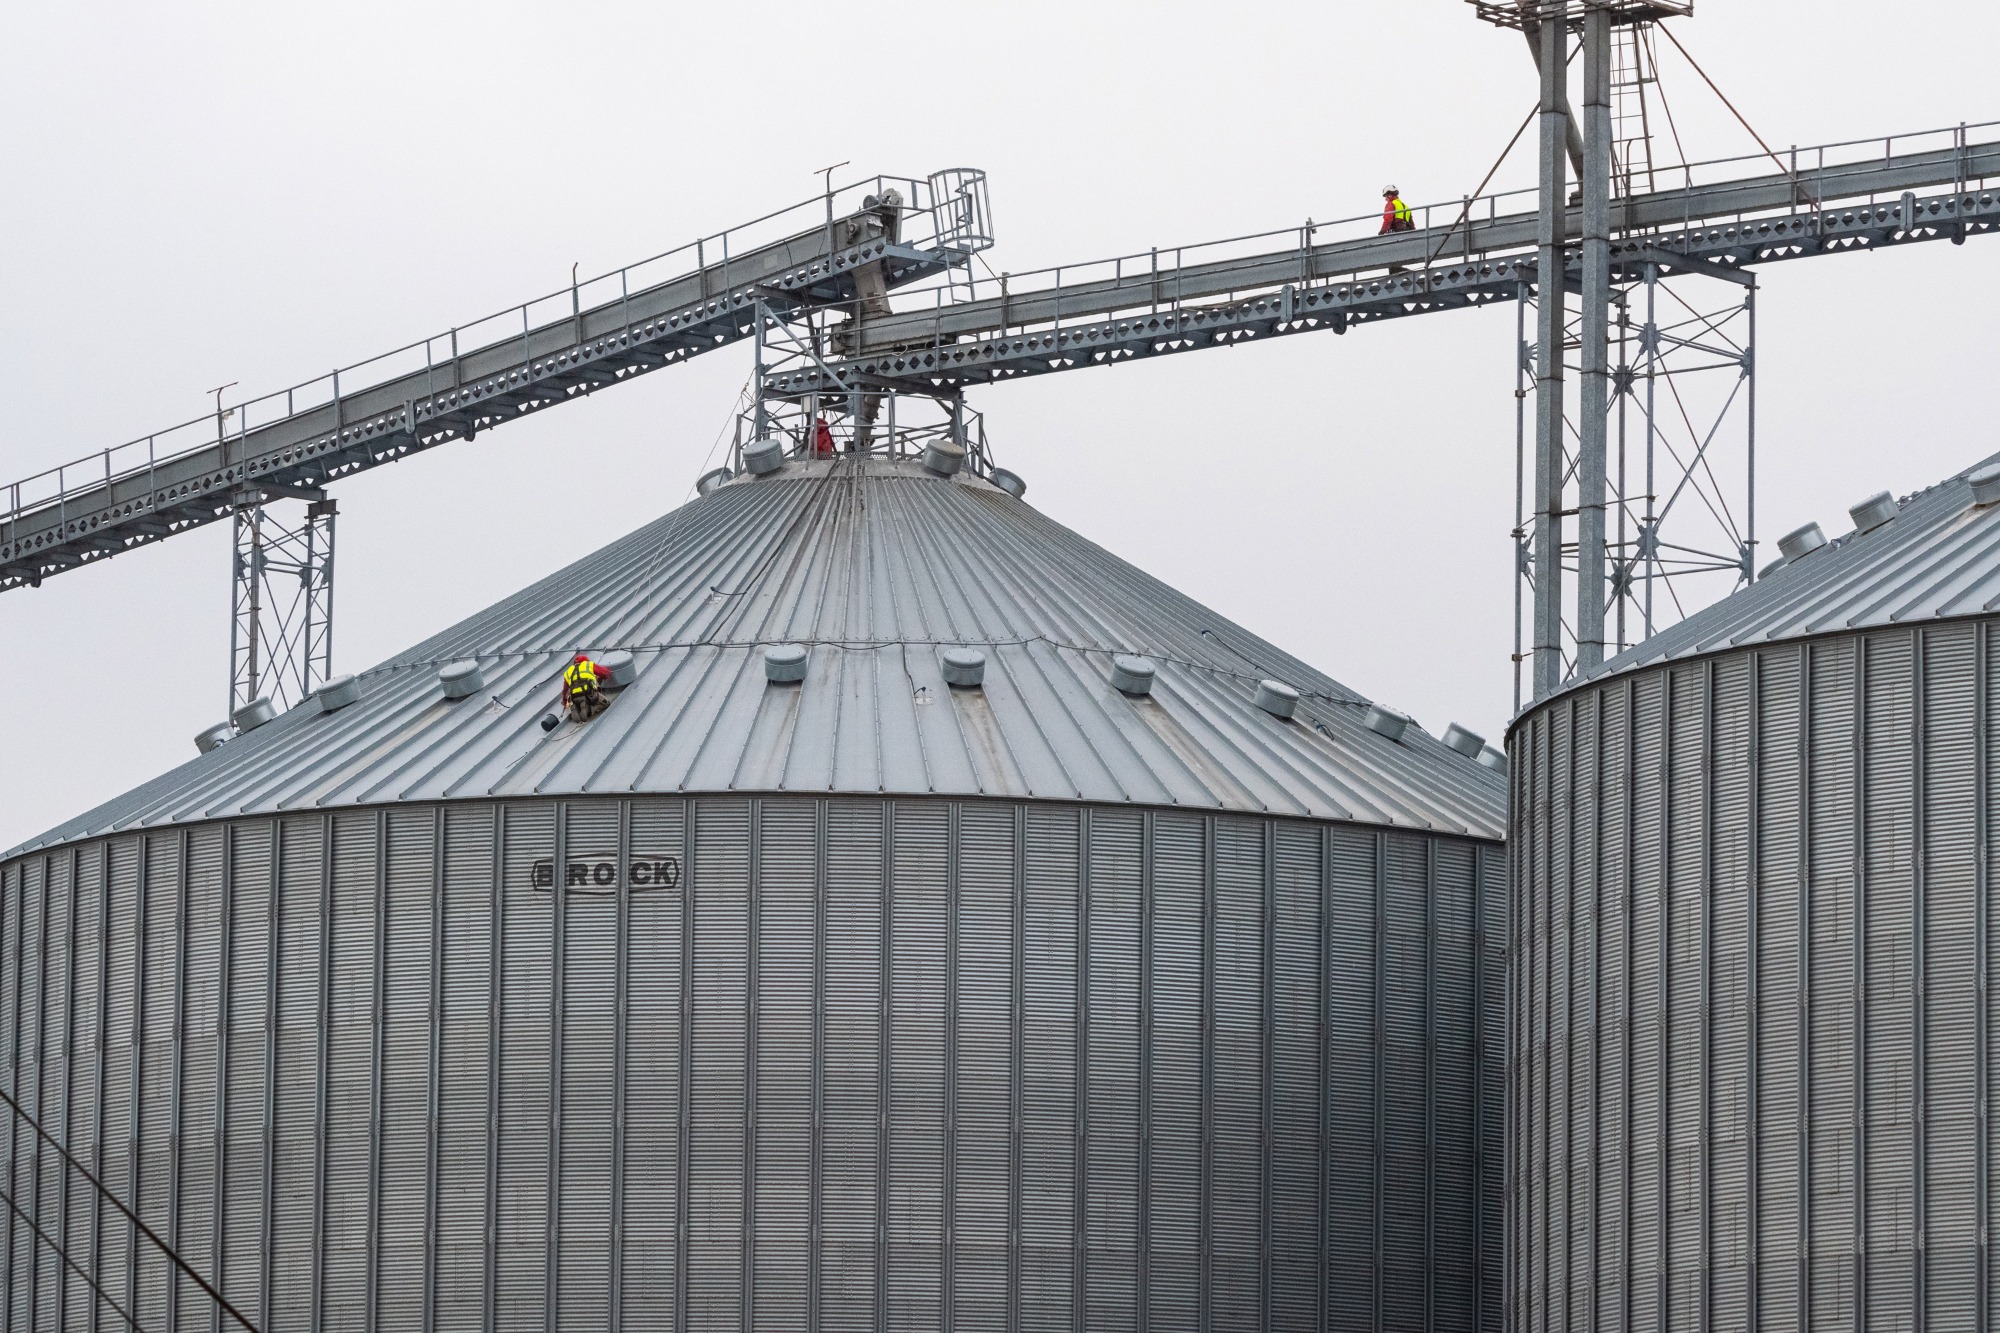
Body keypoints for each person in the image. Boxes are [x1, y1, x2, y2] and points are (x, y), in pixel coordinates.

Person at [561, 652, 611, 723]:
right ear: (586, 661)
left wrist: (564, 701)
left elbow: (565, 690)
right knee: (606, 703)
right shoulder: (588, 665)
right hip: (589, 695)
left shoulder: (568, 671)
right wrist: (599, 679)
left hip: (575, 698)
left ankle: (576, 707)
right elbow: (606, 673)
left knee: (579, 701)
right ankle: (589, 710)